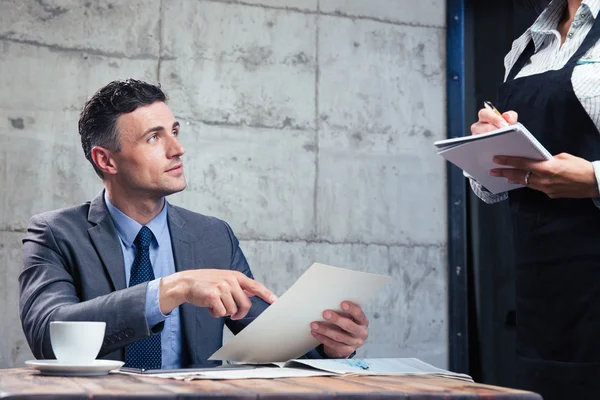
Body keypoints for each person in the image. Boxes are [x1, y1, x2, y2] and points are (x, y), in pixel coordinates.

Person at [19, 79, 370, 370]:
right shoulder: (55, 233)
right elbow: (48, 335)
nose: (178, 149)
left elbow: (270, 340)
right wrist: (170, 290)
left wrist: (331, 347)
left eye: (174, 131)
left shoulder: (213, 236)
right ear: (106, 160)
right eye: (154, 137)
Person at [469, 0, 600, 399]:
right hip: (545, 296)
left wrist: (594, 179)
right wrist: (487, 149)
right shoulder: (524, 47)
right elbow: (491, 188)